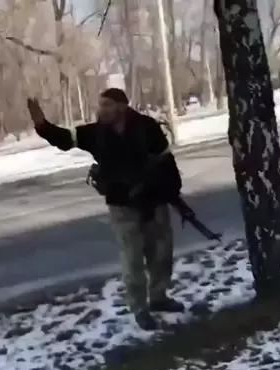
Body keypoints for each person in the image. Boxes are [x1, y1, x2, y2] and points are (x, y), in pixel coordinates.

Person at [27, 88, 184, 331]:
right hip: (121, 204)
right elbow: (66, 139)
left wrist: (172, 191)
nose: (102, 110)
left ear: (122, 106)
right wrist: (42, 126)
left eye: (107, 105)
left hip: (154, 201)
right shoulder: (96, 133)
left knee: (161, 254)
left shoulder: (146, 127)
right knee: (132, 260)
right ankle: (139, 308)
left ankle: (159, 297)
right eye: (101, 105)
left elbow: (165, 159)